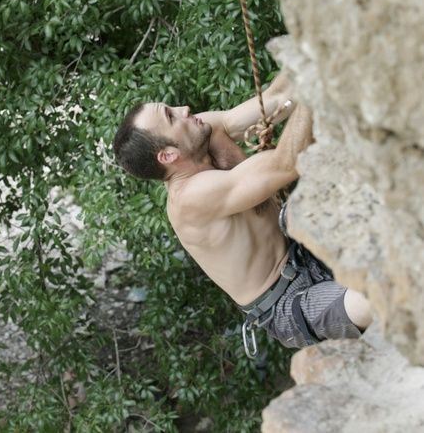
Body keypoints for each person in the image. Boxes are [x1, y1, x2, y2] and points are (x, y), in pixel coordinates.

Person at [113, 71, 372, 354]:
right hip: (289, 301)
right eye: (171, 117)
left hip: (306, 246)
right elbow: (286, 165)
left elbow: (275, 98)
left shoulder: (200, 131)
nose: (184, 109)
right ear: (168, 155)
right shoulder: (189, 199)